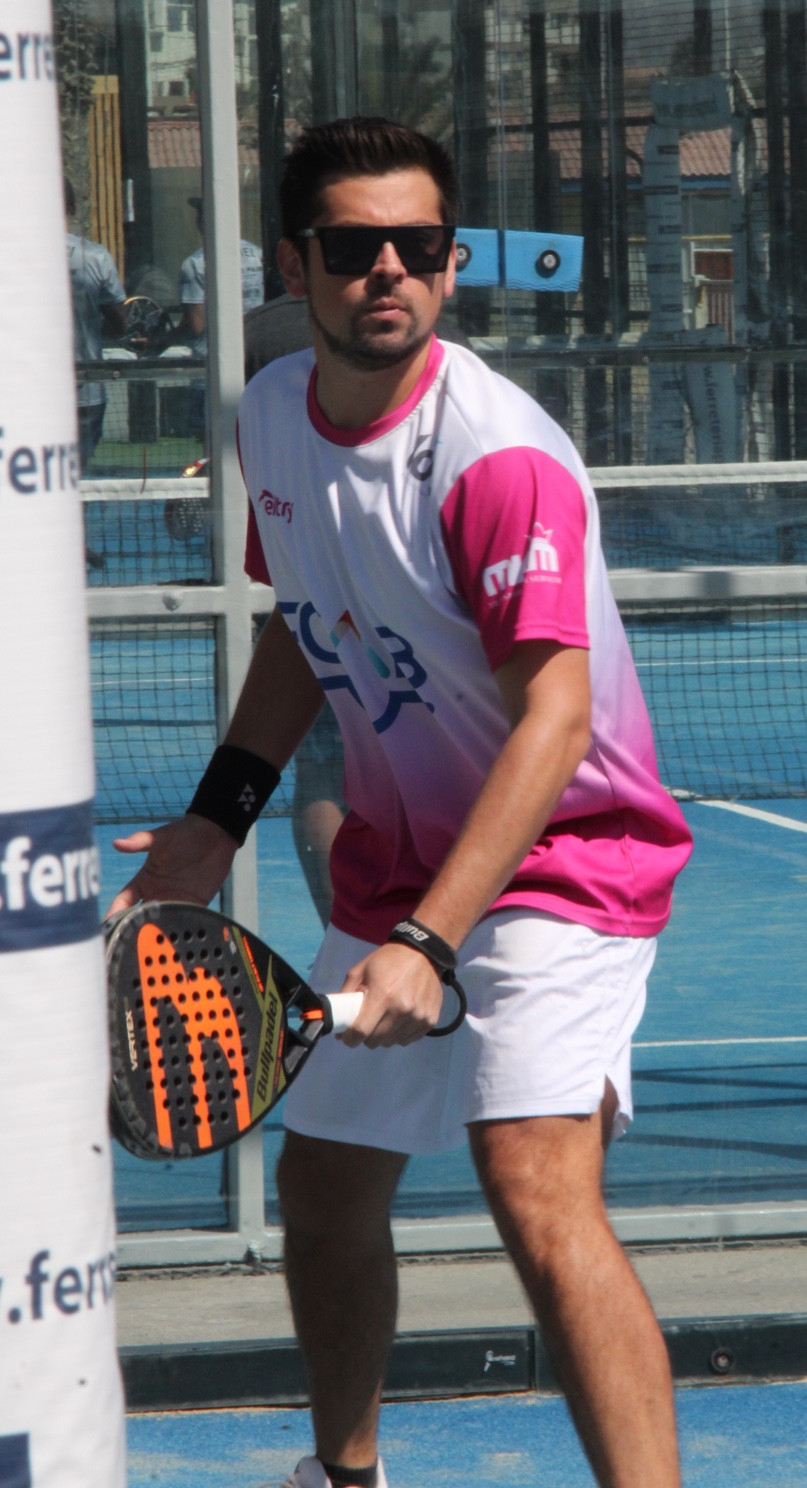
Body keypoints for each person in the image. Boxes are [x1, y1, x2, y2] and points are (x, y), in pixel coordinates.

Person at [108, 117, 692, 1488]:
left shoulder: (495, 459)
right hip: (398, 868)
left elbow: (554, 721)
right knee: (322, 1195)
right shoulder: (271, 418)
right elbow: (302, 629)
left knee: (536, 1185)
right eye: (356, 246)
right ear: (295, 265)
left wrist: (433, 943)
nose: (391, 271)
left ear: (450, 264)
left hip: (566, 861)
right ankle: (345, 1476)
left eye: (420, 246)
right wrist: (216, 819)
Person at [240, 288, 477, 928]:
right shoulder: (421, 327)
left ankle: (358, 927)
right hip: (371, 604)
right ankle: (371, 930)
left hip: (333, 592)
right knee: (398, 770)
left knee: (325, 777)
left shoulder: (252, 339)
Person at [65, 178, 125, 468]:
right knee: (80, 473)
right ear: (73, 208)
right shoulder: (95, 255)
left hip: (31, 390)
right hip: (87, 388)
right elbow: (119, 321)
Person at [178, 193, 265, 353]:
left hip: (215, 355)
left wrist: (163, 339)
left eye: (201, 215)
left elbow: (196, 326)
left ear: (202, 222)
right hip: (257, 344)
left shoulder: (195, 263)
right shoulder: (258, 254)